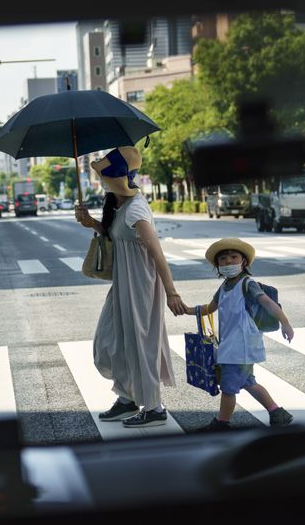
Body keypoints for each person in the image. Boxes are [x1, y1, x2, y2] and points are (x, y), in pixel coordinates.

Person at [75, 146, 188, 428]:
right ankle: (126, 398)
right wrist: (92, 223)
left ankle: (154, 408)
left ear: (115, 177)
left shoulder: (136, 208)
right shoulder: (117, 205)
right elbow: (116, 237)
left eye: (104, 175)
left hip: (142, 284)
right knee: (110, 340)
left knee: (141, 345)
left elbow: (157, 253)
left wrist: (171, 292)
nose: (101, 180)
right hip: (123, 282)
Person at [183, 238, 295, 431]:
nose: (228, 262)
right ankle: (277, 413)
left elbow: (266, 302)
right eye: (223, 259)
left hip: (241, 345)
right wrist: (187, 310)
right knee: (248, 382)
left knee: (228, 387)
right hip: (232, 344)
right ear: (218, 265)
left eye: (234, 257)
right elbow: (210, 307)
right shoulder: (225, 286)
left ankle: (222, 423)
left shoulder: (247, 283)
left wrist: (285, 322)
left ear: (244, 261)